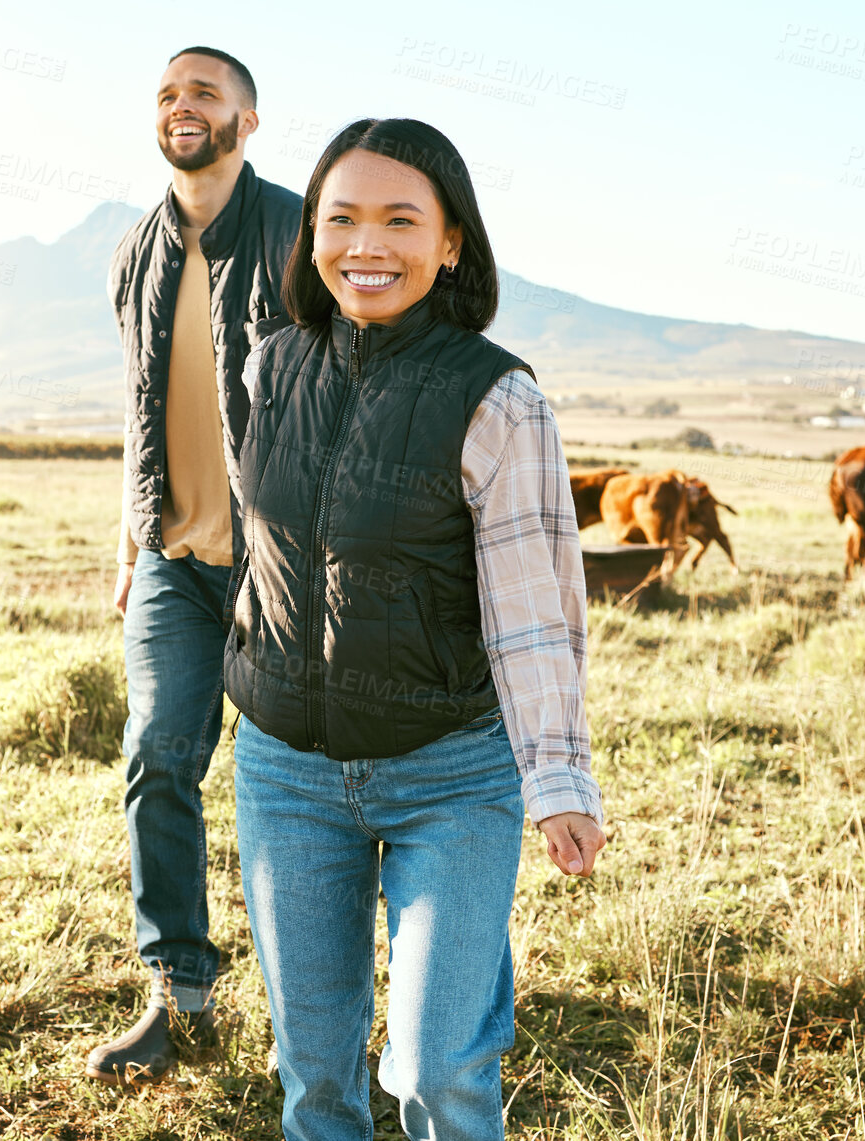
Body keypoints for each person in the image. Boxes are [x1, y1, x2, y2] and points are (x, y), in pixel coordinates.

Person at [223, 119, 606, 1141]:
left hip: (451, 775)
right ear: (310, 237)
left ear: (451, 245)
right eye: (340, 218)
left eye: (402, 220)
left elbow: (534, 609)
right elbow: (263, 548)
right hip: (286, 773)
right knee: (313, 1076)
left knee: (440, 1072)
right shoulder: (270, 370)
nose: (367, 245)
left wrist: (558, 778)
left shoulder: (499, 398)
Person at [88, 46, 301, 1086]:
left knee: (294, 783)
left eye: (205, 94)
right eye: (168, 93)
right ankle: (179, 992)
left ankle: (315, 1003)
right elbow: (136, 411)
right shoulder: (134, 252)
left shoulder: (302, 232)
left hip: (286, 567)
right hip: (173, 560)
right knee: (157, 757)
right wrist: (127, 544)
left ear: (247, 121)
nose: (183, 107)